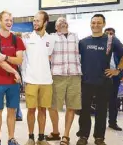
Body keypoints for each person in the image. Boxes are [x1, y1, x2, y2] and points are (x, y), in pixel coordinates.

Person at [76, 14, 123, 145]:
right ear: (90, 24)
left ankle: (99, 137)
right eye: (93, 22)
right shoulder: (83, 42)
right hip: (86, 81)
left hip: (104, 82)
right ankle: (83, 136)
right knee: (84, 111)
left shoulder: (111, 40)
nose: (96, 25)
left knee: (101, 111)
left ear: (104, 24)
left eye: (99, 23)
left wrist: (118, 70)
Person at [0, 10, 25, 145]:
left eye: (11, 20)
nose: (9, 22)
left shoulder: (17, 40)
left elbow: (19, 60)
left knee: (12, 111)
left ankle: (11, 138)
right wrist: (15, 72)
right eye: (6, 20)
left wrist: (7, 57)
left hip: (13, 83)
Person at [45, 17, 82, 145]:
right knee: (52, 106)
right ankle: (55, 132)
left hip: (74, 75)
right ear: (55, 27)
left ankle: (66, 135)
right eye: (59, 22)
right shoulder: (51, 37)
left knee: (71, 106)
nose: (62, 22)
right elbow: (46, 54)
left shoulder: (76, 37)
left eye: (64, 20)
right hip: (56, 75)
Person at [21, 10, 54, 145]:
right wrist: (24, 78)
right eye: (34, 20)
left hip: (46, 81)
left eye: (38, 20)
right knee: (31, 110)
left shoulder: (50, 39)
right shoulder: (27, 37)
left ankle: (41, 138)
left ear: (45, 22)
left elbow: (49, 58)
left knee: (42, 110)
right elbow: (23, 59)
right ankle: (30, 137)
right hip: (31, 80)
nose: (35, 23)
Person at [104, 27, 123, 131]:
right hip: (101, 77)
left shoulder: (119, 48)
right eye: (107, 34)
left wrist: (118, 71)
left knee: (113, 101)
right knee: (100, 101)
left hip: (114, 77)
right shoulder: (100, 46)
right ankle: (100, 123)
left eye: (111, 34)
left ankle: (112, 122)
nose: (109, 36)